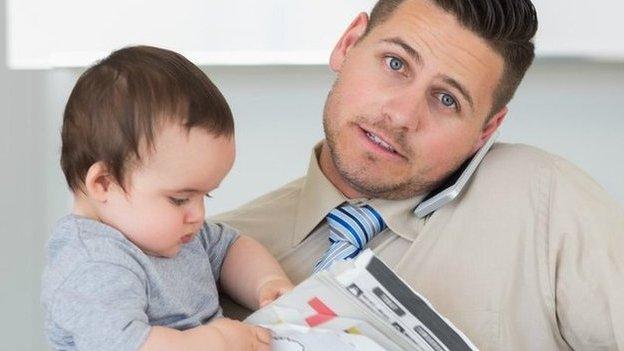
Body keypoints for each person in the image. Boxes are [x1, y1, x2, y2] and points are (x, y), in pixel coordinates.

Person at [214, 0, 624, 349]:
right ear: (349, 43)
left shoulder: (544, 203)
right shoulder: (199, 248)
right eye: (396, 64)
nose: (402, 116)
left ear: (486, 129)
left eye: (447, 99)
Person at [41, 45, 293, 351]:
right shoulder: (93, 264)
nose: (198, 214)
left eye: (205, 195)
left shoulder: (178, 235)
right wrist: (215, 342)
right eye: (180, 199)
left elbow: (231, 249)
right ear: (105, 183)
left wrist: (266, 282)